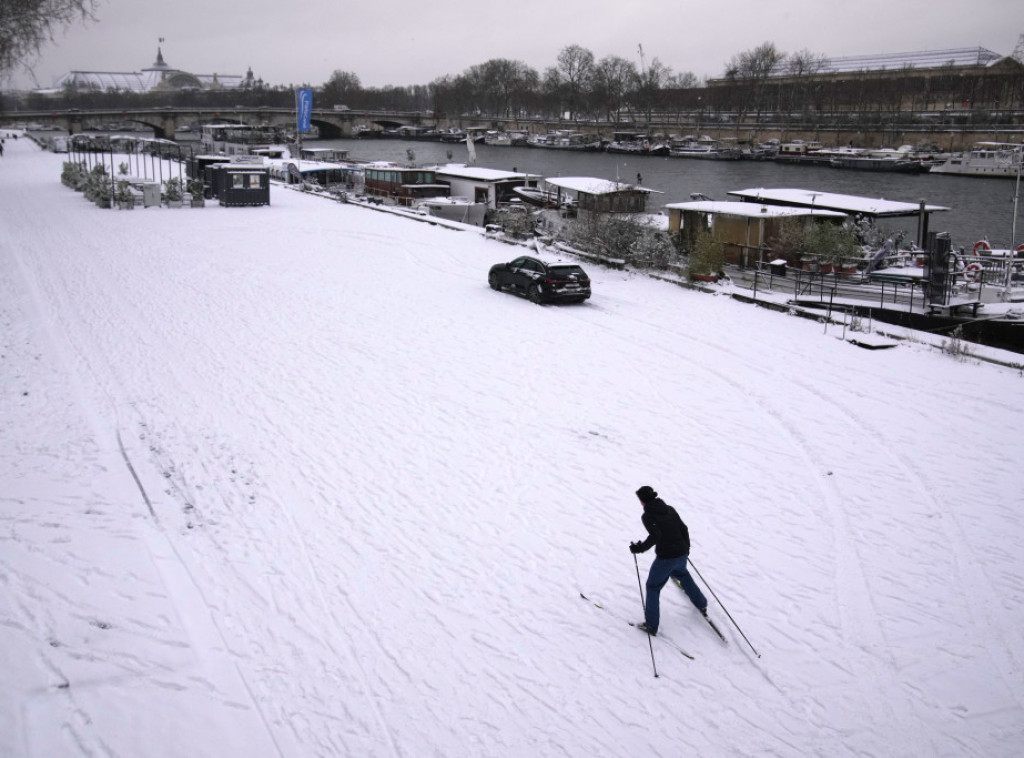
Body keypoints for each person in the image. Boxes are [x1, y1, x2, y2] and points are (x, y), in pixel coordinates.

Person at [629, 485, 707, 636]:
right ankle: (701, 604)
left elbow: (655, 536)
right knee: (682, 574)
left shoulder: (648, 516)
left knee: (653, 587)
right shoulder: (669, 509)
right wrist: (686, 548)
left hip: (666, 558)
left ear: (643, 501)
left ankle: (651, 625)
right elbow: (684, 528)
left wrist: (639, 548)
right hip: (681, 552)